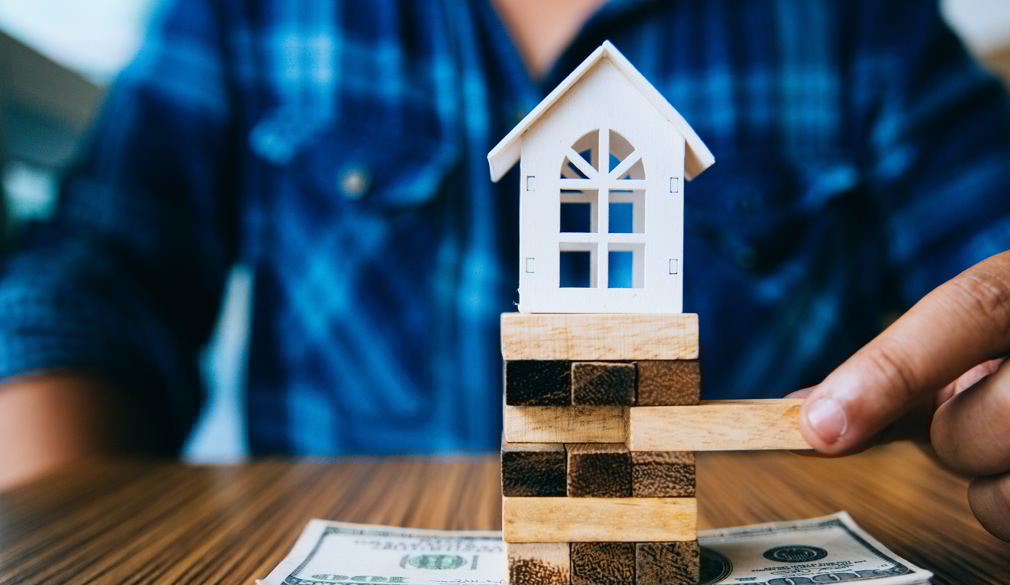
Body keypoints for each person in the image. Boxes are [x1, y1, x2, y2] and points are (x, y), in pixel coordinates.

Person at [1, 0, 1009, 540]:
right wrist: (59, 532)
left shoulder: (858, 21)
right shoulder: (244, 12)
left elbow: (984, 274)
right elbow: (104, 263)